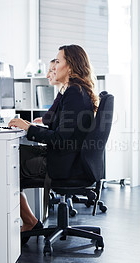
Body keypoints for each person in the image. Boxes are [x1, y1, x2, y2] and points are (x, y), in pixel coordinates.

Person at [9, 44, 99, 244]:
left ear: (71, 66)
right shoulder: (74, 91)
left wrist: (28, 128)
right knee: (15, 156)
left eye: (58, 62)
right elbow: (53, 121)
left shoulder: (75, 94)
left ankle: (30, 221)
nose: (53, 67)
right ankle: (30, 220)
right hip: (68, 160)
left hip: (62, 164)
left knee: (5, 164)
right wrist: (61, 88)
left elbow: (60, 139)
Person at [33, 59, 64, 126]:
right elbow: (49, 117)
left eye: (51, 71)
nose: (47, 76)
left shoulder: (68, 95)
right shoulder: (61, 93)